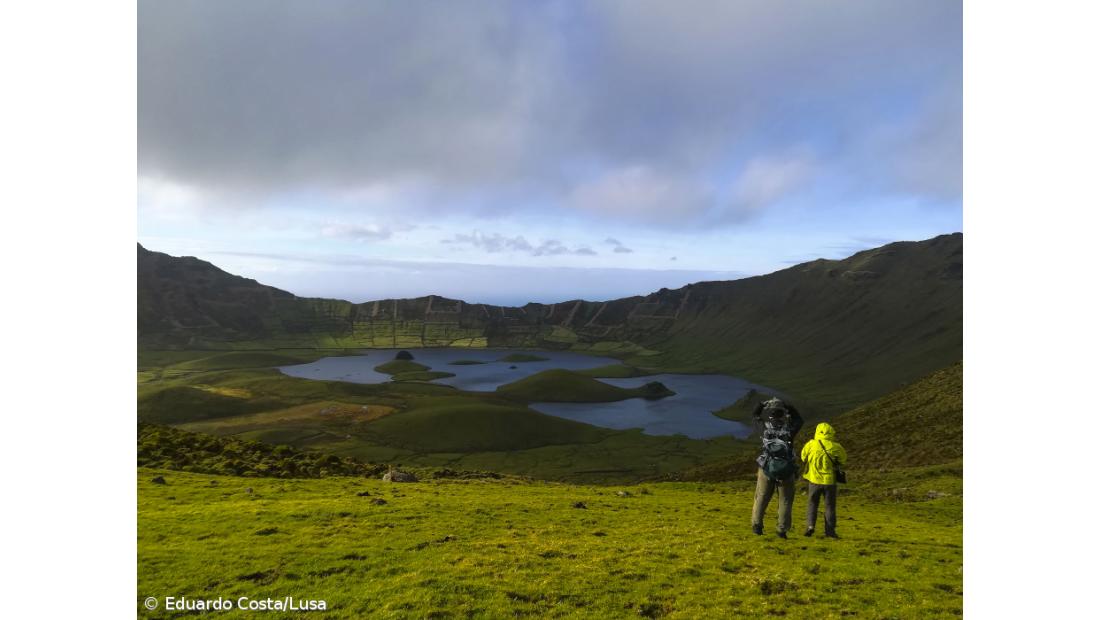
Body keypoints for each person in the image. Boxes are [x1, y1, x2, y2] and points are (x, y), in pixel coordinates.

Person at [750, 397, 803, 539]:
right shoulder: (789, 429)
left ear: (770, 415)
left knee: (761, 497)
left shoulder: (765, 429)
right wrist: (788, 406)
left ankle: (757, 526)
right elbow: (799, 420)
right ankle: (781, 530)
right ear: (783, 415)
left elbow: (755, 416)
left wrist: (761, 404)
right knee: (785, 500)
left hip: (766, 467)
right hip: (786, 469)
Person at [800, 422, 847, 539]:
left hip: (814, 480)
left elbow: (803, 457)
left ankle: (810, 526)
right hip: (829, 481)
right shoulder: (836, 447)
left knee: (812, 504)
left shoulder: (811, 444)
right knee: (830, 506)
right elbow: (843, 460)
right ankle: (830, 532)